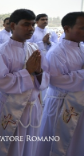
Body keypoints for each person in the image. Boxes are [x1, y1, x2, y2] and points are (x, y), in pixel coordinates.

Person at [0, 9, 49, 156]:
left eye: (33, 25)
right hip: (10, 107)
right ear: (13, 26)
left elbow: (46, 77)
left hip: (32, 108)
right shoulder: (2, 51)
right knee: (8, 148)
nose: (31, 29)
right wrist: (27, 71)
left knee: (30, 147)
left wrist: (39, 72)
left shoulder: (35, 48)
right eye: (26, 24)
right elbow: (1, 82)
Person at [36, 12, 84, 156]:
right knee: (58, 146)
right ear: (67, 29)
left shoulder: (81, 48)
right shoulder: (57, 52)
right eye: (82, 27)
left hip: (79, 104)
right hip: (61, 105)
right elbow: (56, 80)